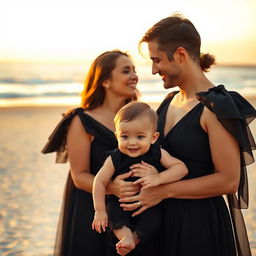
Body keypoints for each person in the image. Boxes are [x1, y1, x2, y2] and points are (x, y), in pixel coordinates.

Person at [119, 15, 256, 256]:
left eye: (157, 60)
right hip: (161, 222)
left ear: (180, 54)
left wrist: (163, 190)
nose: (153, 70)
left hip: (199, 227)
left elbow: (228, 180)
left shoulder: (215, 106)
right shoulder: (169, 101)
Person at [41, 50, 142, 256]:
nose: (134, 76)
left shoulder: (139, 115)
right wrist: (112, 188)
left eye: (134, 70)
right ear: (105, 81)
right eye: (125, 71)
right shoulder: (81, 120)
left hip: (131, 209)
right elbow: (79, 176)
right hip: (92, 210)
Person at [92, 101, 188, 256]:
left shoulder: (157, 152)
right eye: (124, 136)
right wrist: (99, 210)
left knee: (154, 220)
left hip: (149, 205)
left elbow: (181, 168)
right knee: (115, 218)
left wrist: (158, 178)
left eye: (140, 136)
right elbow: (100, 181)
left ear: (153, 137)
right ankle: (126, 237)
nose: (132, 142)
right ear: (117, 136)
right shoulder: (115, 157)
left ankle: (134, 240)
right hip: (120, 203)